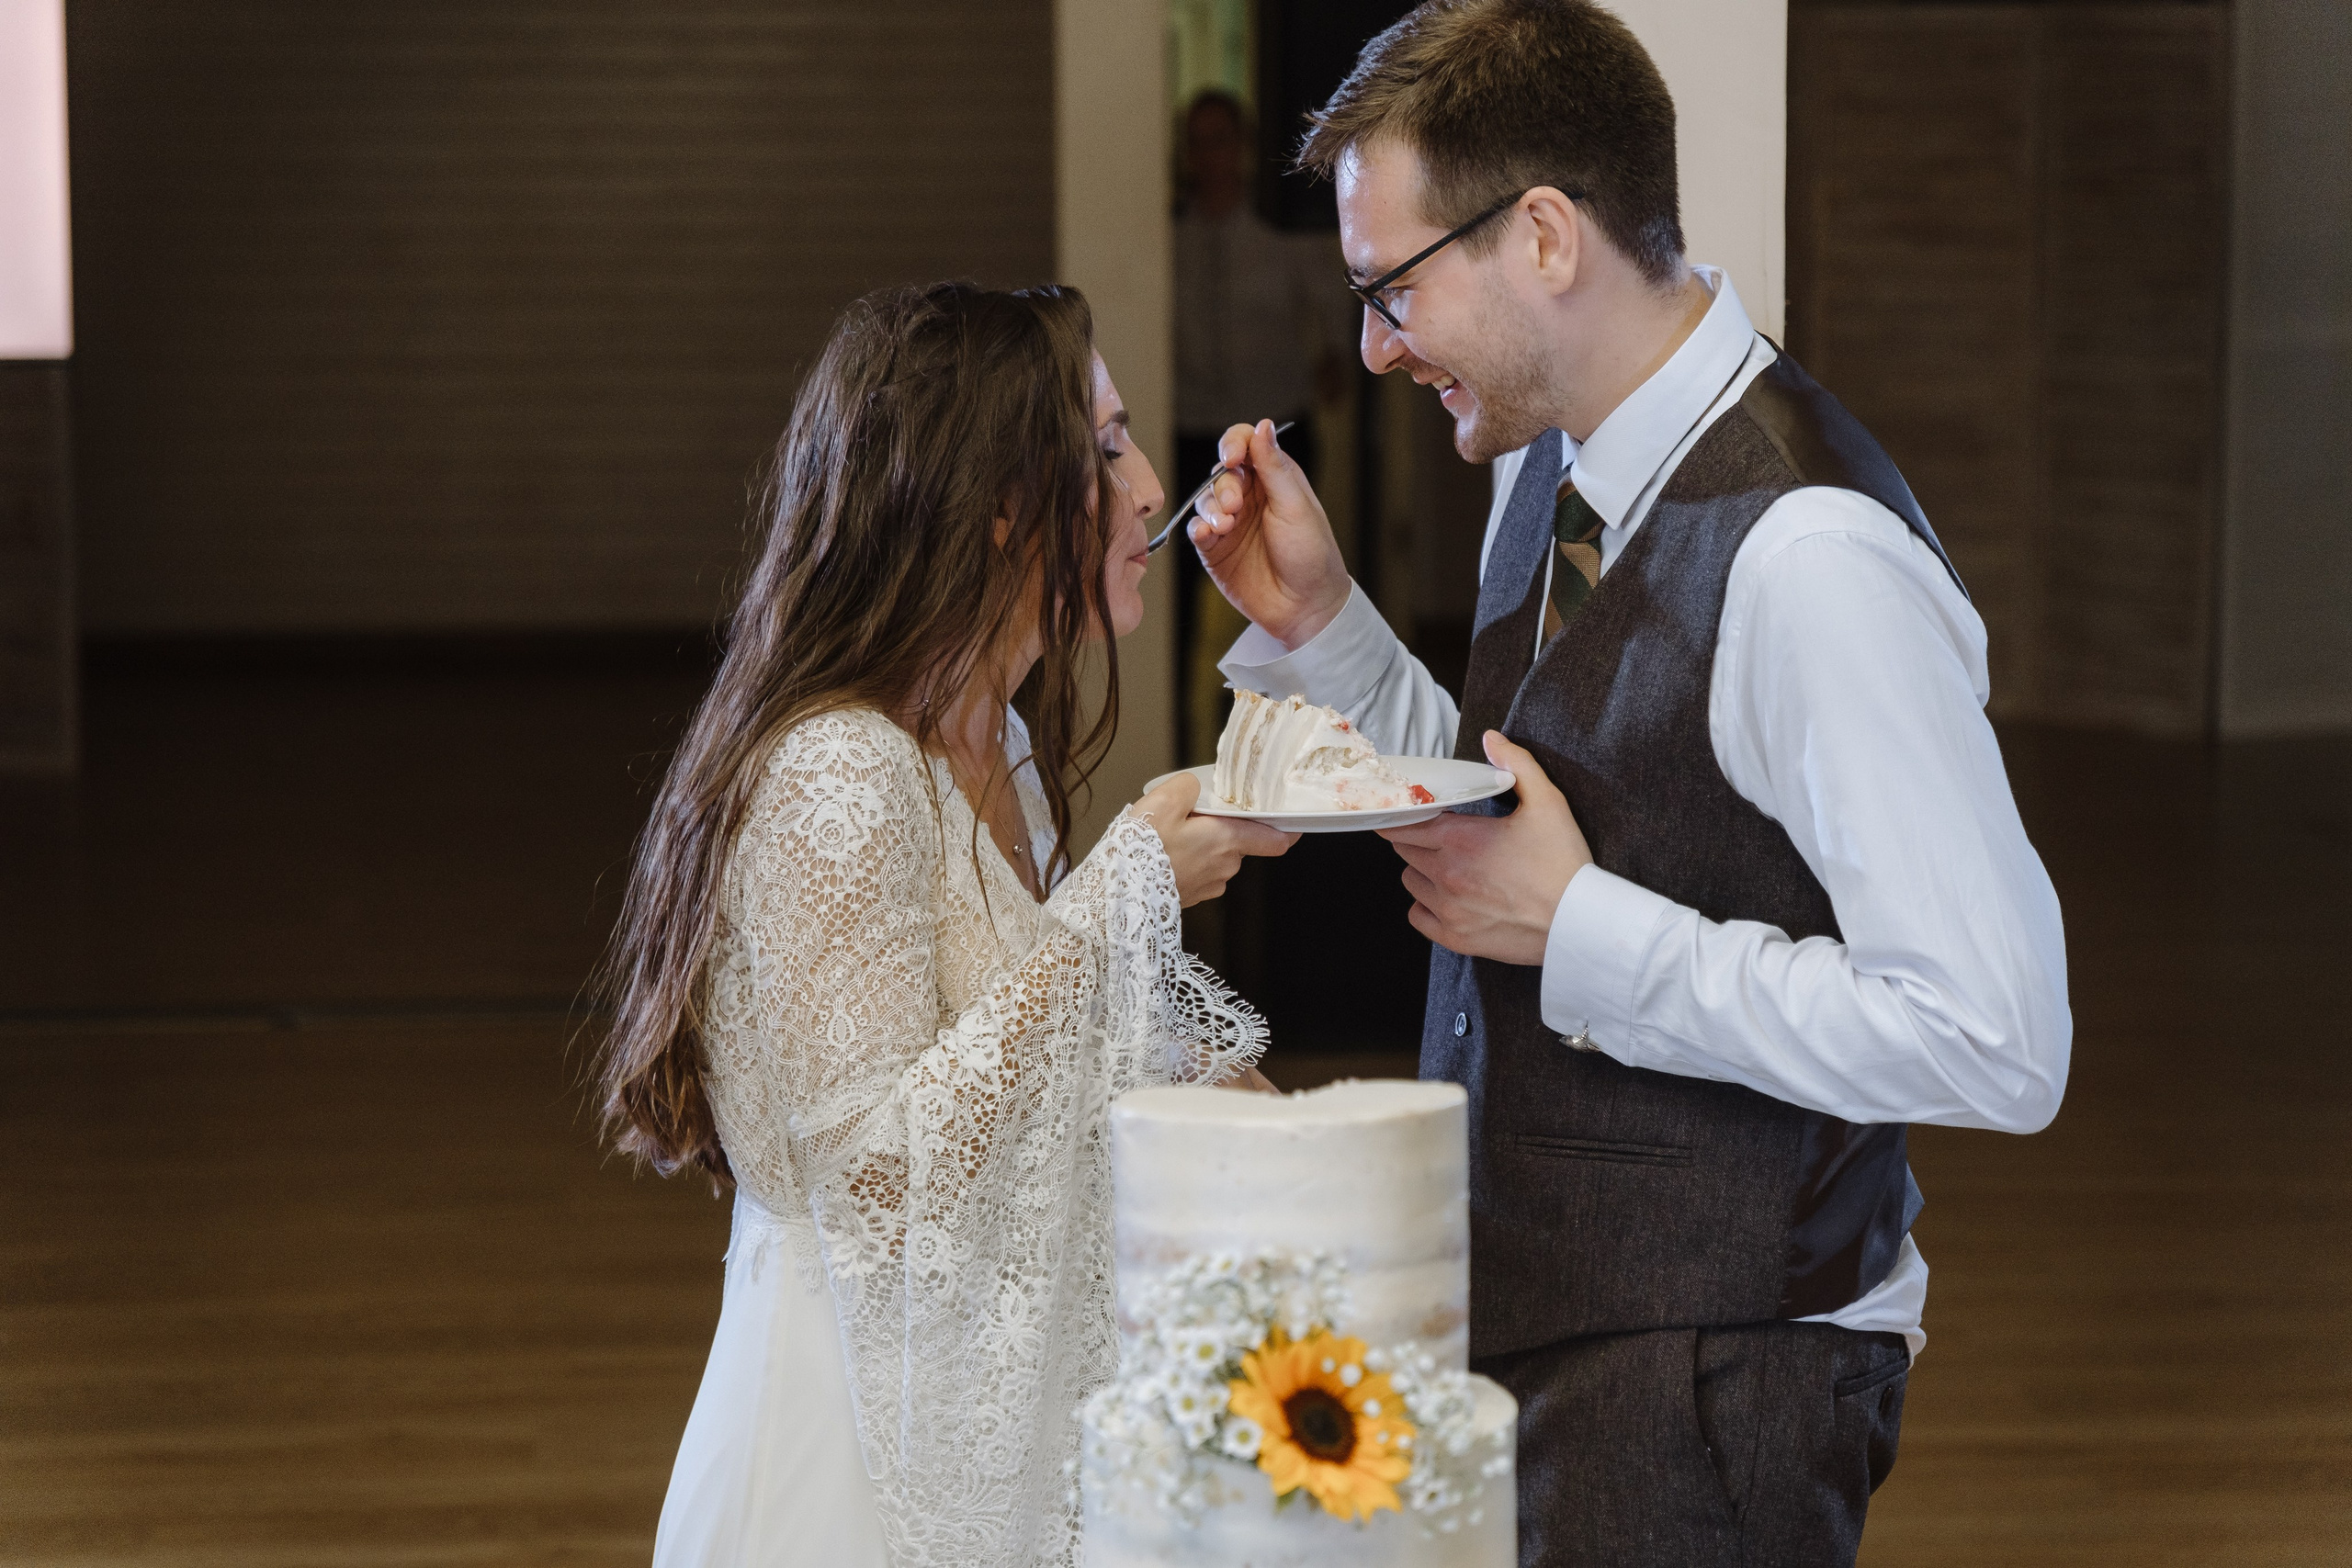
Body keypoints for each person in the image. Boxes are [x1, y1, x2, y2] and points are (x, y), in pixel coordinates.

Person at [1188, 3, 2072, 1563]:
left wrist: (1584, 928)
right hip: (1556, 1310)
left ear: (1543, 237)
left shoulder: (1813, 558)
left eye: (1394, 289)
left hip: (1720, 1371)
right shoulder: (1553, 457)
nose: (1375, 347)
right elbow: (1542, 796)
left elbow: (1998, 1038)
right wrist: (1326, 629)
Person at [595, 281, 1294, 1568]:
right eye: (1106, 450)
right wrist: (1130, 887)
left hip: (985, 1408)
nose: (1151, 487)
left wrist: (1278, 1125)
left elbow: (1044, 1054)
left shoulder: (998, 741)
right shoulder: (841, 771)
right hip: (845, 1446)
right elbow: (874, 1176)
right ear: (1000, 506)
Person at [1171, 88, 1349, 761]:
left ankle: (1290, 750)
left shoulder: (1280, 239)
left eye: (1222, 139)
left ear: (1242, 149)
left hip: (1277, 436)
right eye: (1198, 141)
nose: (1210, 155)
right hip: (1192, 433)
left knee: (1284, 598)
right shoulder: (1167, 244)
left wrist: (1333, 362)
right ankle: (1192, 747)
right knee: (1186, 607)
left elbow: (1331, 331)